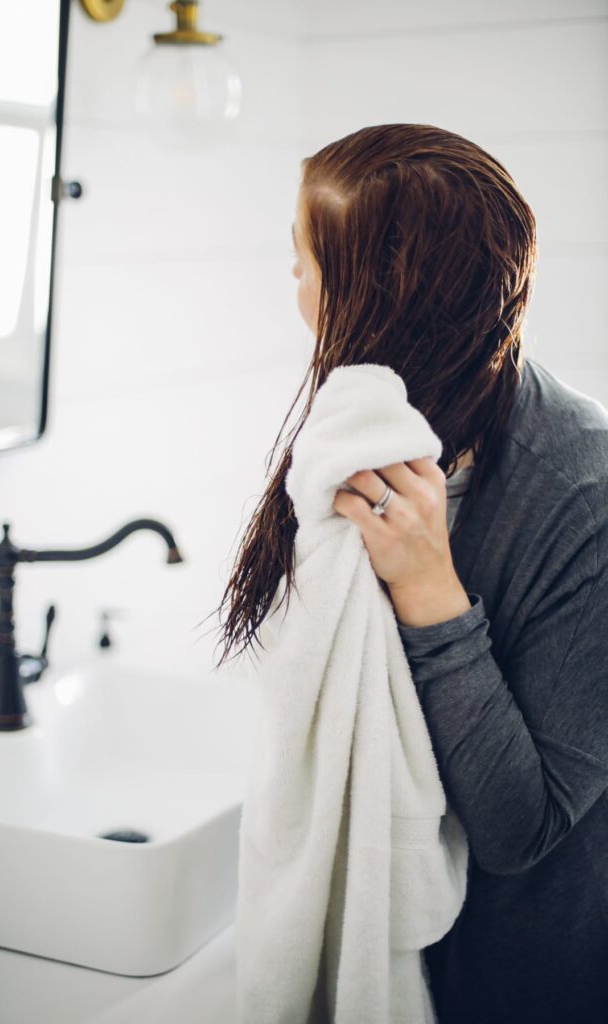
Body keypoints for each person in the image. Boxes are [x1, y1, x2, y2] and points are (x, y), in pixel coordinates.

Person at [212, 124, 608, 1023]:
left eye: (305, 262)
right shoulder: (359, 434)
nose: (296, 287)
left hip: (514, 986)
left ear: (377, 297)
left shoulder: (583, 495)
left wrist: (432, 594)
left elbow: (523, 829)